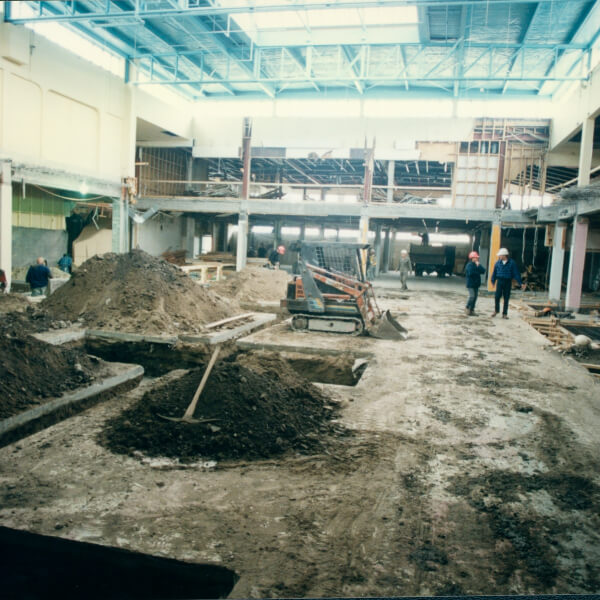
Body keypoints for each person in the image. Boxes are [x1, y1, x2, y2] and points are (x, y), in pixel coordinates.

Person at [491, 248, 525, 319]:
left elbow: (516, 273)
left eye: (500, 255)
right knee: (497, 297)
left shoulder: (512, 263)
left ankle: (504, 314)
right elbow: (494, 273)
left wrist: (520, 283)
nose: (499, 257)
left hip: (507, 282)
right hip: (500, 281)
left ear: (504, 255)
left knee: (506, 298)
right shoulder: (497, 263)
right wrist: (493, 281)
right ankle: (496, 310)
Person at [465, 251, 485, 316]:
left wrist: (478, 266)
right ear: (472, 258)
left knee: (475, 297)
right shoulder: (469, 265)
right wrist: (478, 271)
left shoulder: (477, 264)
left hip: (476, 284)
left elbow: (483, 271)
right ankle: (467, 307)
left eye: (477, 258)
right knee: (472, 296)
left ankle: (472, 310)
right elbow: (471, 273)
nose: (476, 259)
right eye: (475, 258)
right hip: (470, 284)